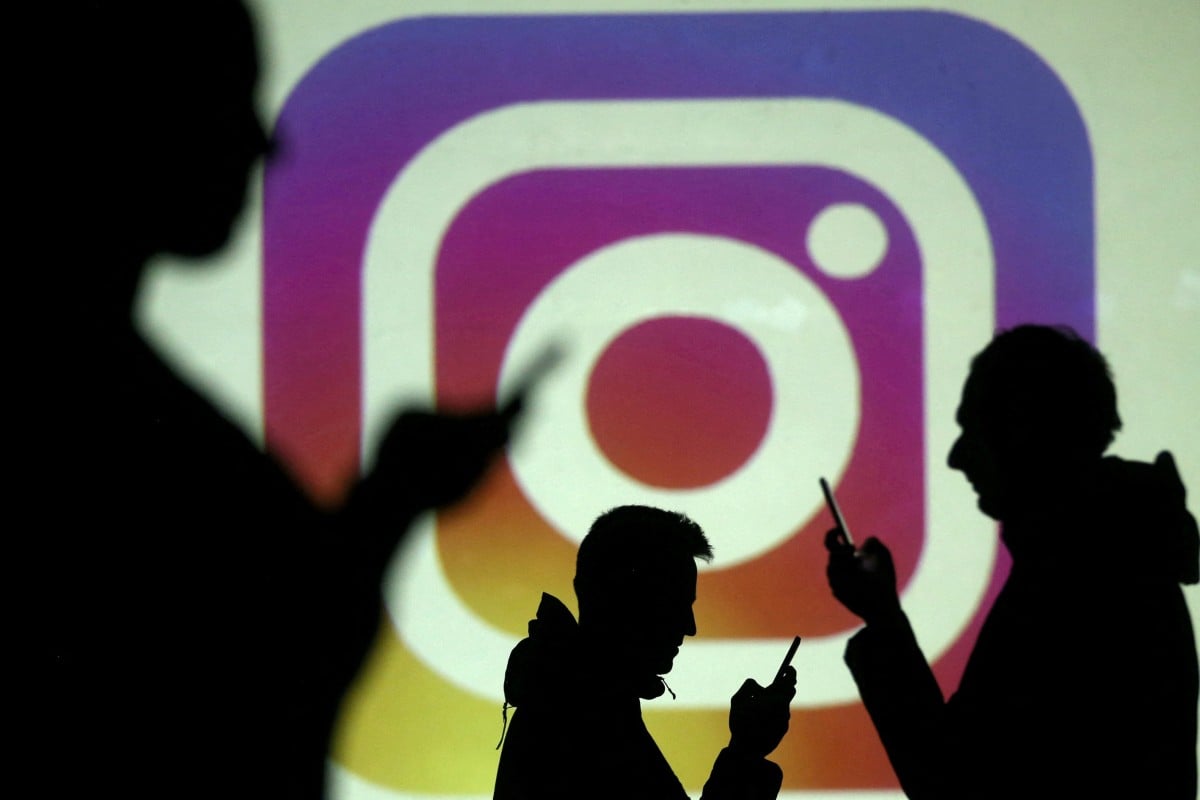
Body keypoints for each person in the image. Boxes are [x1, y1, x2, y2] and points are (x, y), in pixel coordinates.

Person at [32, 3, 522, 799]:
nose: (265, 142)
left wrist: (390, 497)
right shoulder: (121, 419)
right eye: (220, 101)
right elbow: (259, 677)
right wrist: (387, 503)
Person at [825, 324, 1199, 798]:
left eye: (973, 430)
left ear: (1023, 433)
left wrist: (883, 622)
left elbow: (955, 781)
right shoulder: (1119, 559)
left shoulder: (1070, 587)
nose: (956, 458)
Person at [493, 505, 797, 800]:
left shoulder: (572, 703)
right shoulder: (586, 724)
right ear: (624, 600)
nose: (689, 626)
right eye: (674, 602)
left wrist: (746, 750)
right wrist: (746, 752)